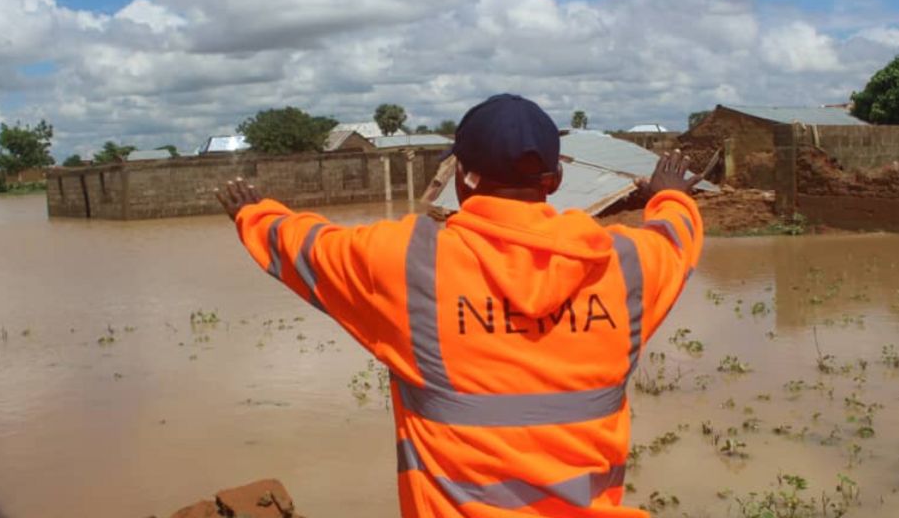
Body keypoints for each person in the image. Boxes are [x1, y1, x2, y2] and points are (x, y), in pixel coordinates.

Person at [216, 93, 714, 517]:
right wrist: (669, 196)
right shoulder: (626, 267)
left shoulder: (407, 262)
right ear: (556, 179)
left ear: (461, 177)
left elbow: (303, 247)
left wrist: (253, 214)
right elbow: (675, 237)